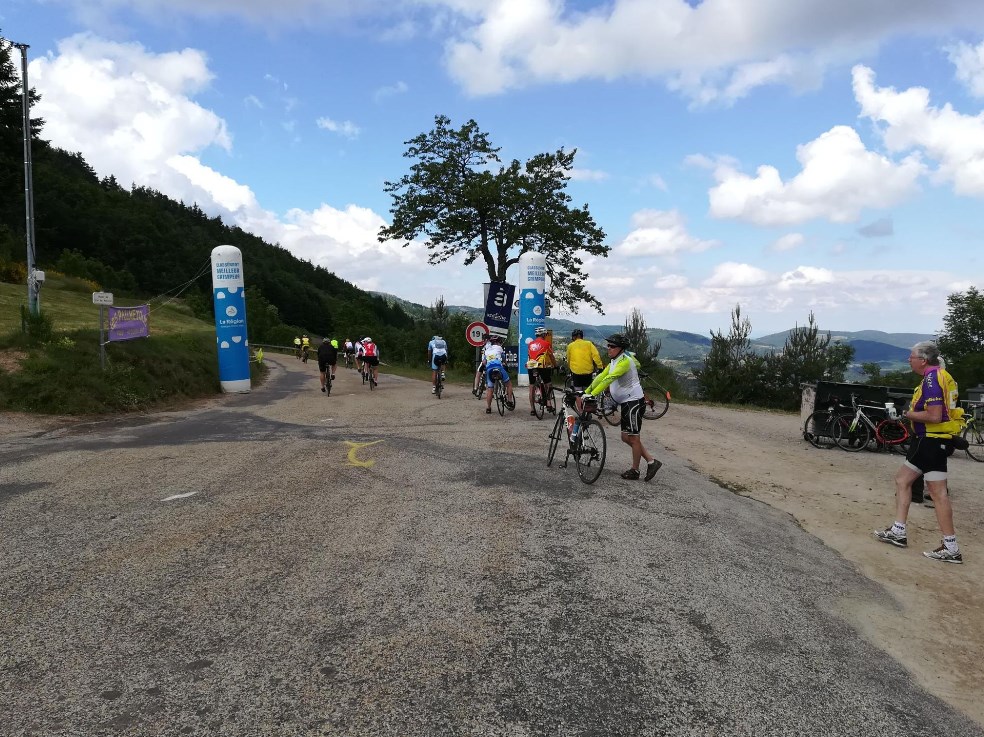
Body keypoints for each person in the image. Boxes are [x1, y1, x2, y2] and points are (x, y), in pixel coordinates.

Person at [874, 341, 964, 563]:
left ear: (923, 360)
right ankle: (947, 545)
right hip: (938, 440)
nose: (909, 360)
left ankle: (905, 533)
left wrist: (907, 415)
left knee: (913, 484)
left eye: (911, 356)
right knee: (929, 489)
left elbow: (934, 416)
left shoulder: (932, 379)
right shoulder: (942, 375)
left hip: (929, 440)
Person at [582, 333, 661, 481]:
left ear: (621, 349)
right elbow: (601, 377)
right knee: (626, 437)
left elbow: (610, 379)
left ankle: (635, 470)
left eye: (612, 346)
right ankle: (651, 461)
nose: (609, 348)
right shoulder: (613, 361)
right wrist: (586, 392)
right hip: (625, 402)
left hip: (634, 402)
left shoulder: (624, 362)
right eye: (608, 345)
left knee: (633, 437)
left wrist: (593, 394)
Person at [481, 335, 516, 414]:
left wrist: (486, 365)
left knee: (490, 389)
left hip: (489, 369)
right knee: (509, 384)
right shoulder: (499, 348)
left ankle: (488, 408)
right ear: (498, 342)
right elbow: (503, 359)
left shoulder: (487, 350)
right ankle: (509, 401)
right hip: (498, 367)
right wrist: (506, 364)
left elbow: (483, 362)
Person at [526, 327, 557, 415]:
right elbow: (551, 357)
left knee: (531, 386)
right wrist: (555, 366)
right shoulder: (546, 344)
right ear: (543, 334)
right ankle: (548, 403)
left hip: (531, 366)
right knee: (548, 384)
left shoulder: (530, 344)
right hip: (541, 366)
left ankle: (532, 409)